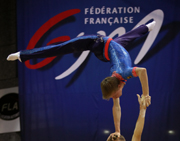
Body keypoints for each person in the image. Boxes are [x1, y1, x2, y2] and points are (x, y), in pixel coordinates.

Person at [7, 22, 155, 102]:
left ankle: (22, 55)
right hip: (102, 44)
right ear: (117, 88)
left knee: (125, 39)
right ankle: (23, 54)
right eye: (113, 97)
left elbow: (116, 102)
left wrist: (117, 130)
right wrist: (146, 95)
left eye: (112, 97)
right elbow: (143, 71)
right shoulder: (124, 74)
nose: (114, 99)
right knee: (60, 48)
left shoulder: (118, 78)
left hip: (102, 48)